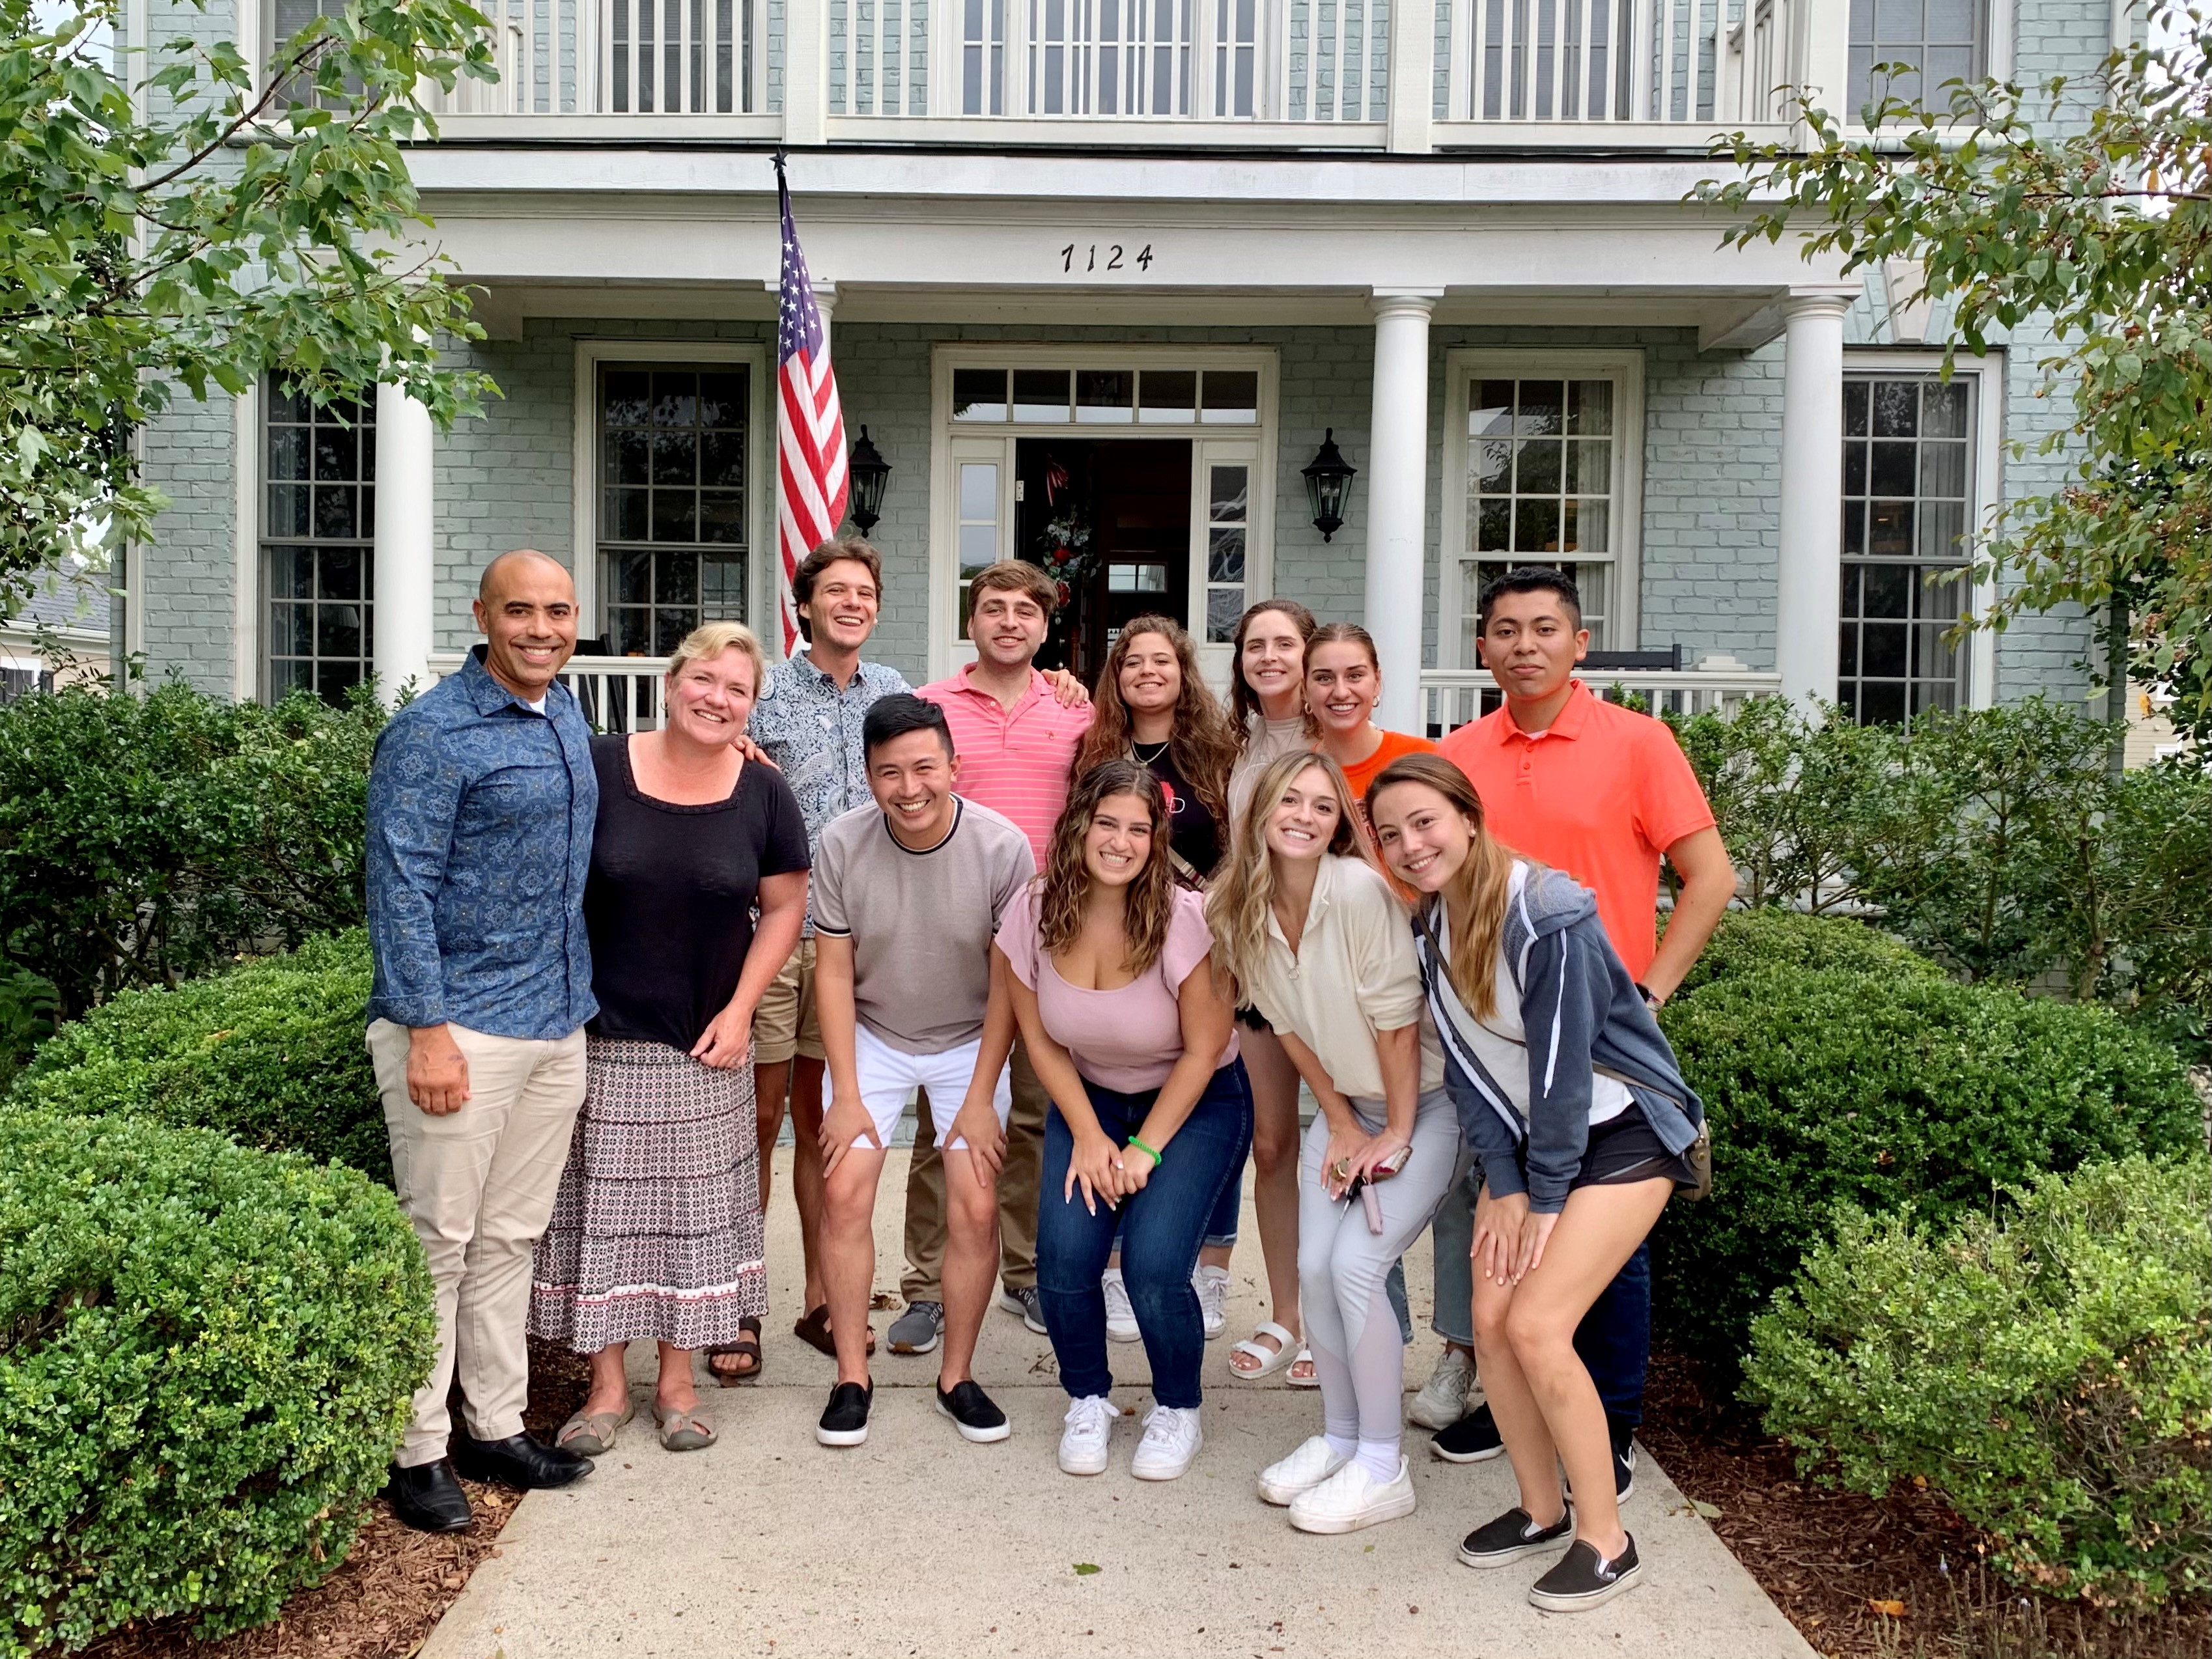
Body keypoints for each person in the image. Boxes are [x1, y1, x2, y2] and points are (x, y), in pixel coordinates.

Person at [1367, 754, 1703, 1611]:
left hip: (1621, 1137)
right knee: (1488, 1319)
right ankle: (1540, 1508)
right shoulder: (1429, 923)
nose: (1410, 844)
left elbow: (1559, 1075)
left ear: (1467, 818)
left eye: (1425, 823)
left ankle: (1607, 1538)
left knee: (1539, 1325)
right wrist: (1506, 1184)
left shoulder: (1544, 911)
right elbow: (1475, 1078)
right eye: (1392, 833)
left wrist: (1542, 1197)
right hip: (1534, 1152)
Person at [1421, 566, 1733, 1475]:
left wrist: (1653, 990)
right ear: (1482, 649)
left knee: (1604, 1242)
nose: (1525, 646)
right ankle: (1510, 1403)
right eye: (1506, 631)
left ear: (1579, 643)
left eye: (1544, 629)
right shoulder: (1461, 756)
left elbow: (1708, 878)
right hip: (1497, 1044)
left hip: (1600, 1043)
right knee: (1498, 1217)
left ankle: (1614, 1430)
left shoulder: (1637, 743)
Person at [528, 622, 809, 1453]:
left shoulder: (763, 791)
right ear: (672, 680)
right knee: (603, 1218)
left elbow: (786, 905)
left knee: (691, 1220)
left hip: (705, 1041)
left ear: (751, 708)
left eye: (738, 690)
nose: (717, 699)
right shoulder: (601, 765)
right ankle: (607, 1387)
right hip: (599, 1034)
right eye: (706, 680)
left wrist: (742, 1008)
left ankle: (678, 1384)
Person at [365, 549, 600, 1533]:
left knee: (510, 1241)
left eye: (557, 611)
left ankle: (493, 1425)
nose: (541, 628)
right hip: (458, 1026)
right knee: (439, 1244)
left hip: (556, 1020)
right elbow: (398, 883)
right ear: (483, 616)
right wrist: (426, 1031)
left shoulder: (569, 713)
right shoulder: (432, 734)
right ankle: (415, 1452)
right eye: (521, 611)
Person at [1207, 751, 1458, 1535]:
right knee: (1313, 1268)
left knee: (1355, 1266)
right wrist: (1341, 1121)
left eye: (1323, 806)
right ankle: (1342, 1435)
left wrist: (1395, 1132)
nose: (1306, 816)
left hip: (1427, 1104)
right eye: (1291, 800)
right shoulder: (1236, 904)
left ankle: (1383, 1464)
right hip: (1348, 1108)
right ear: (1260, 811)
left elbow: (1398, 1020)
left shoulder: (1358, 891)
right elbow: (1284, 1025)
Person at [998, 759, 1252, 1481]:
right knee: (1066, 1259)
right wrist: (1088, 1132)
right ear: (1079, 824)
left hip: (1195, 1102)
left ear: (1156, 839)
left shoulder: (1184, 919)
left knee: (1152, 1267)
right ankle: (1088, 1396)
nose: (1120, 841)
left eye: (1139, 829)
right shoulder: (1035, 907)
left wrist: (1141, 1148)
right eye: (1107, 823)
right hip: (1092, 1097)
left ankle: (1177, 1407)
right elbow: (1039, 1037)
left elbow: (1205, 1050)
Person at [811, 694, 1036, 1447]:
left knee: (975, 1202)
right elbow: (834, 975)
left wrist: (977, 1099)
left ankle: (958, 1377)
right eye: (889, 774)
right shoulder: (841, 843)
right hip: (873, 1033)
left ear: (952, 765)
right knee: (845, 1188)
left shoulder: (1002, 847)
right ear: (869, 777)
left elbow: (1009, 982)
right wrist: (845, 1094)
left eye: (923, 768)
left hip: (971, 1036)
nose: (909, 788)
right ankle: (850, 1375)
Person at [897, 561, 1094, 1352]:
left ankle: (1023, 1271)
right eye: (992, 608)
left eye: (1024, 611)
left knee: (1037, 1113)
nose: (1008, 621)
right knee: (943, 1114)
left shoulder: (1076, 712)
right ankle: (927, 1284)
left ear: (1046, 628)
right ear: (970, 620)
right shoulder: (931, 708)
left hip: (1051, 934)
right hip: (951, 933)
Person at [748, 538, 912, 1370]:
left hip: (854, 944)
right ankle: (739, 1303)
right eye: (835, 591)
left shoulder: (893, 691)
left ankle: (820, 1298)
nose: (851, 603)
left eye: (864, 592)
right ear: (804, 605)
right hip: (771, 933)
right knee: (756, 1120)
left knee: (822, 1125)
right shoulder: (764, 689)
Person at [1070, 615, 1242, 1345]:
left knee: (1208, 1087)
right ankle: (1116, 1266)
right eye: (1131, 660)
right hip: (1122, 939)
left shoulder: (1217, 752)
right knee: (1126, 1090)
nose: (1146, 671)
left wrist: (1213, 913)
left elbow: (1240, 841)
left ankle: (1209, 1265)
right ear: (1116, 676)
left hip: (1203, 939)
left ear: (1182, 673)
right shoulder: (1094, 750)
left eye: (1160, 661)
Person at [1220, 600, 1319, 1386]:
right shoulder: (1234, 744)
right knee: (1273, 1143)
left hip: (1337, 965)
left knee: (1354, 1141)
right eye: (1256, 644)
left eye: (1285, 643)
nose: (1269, 656)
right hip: (1256, 959)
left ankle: (1341, 1315)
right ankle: (1287, 1313)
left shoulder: (1336, 740)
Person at [1303, 622, 1437, 819]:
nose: (1341, 692)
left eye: (1355, 676)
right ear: (1304, 689)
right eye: (1324, 678)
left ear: (1377, 682)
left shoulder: (1425, 759)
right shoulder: (1297, 775)